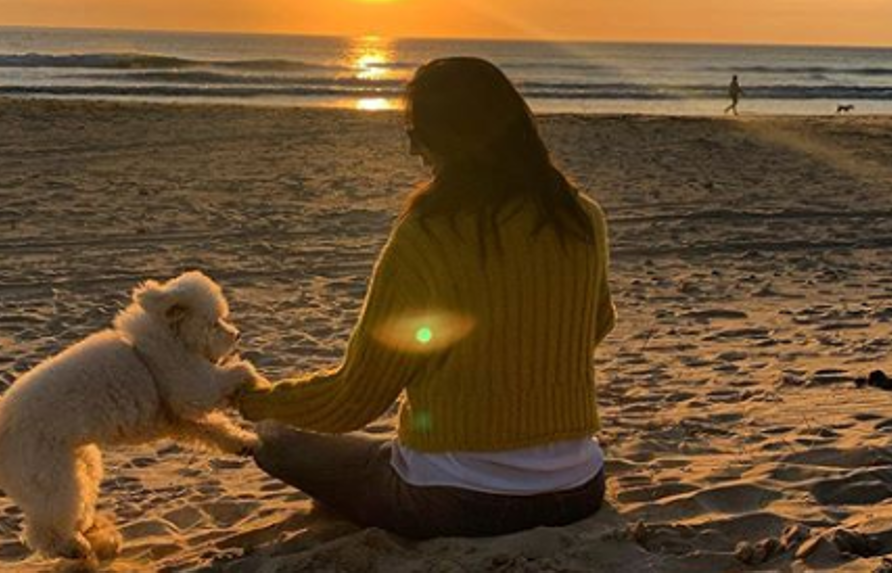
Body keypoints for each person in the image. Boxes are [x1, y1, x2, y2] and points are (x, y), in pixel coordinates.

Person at [234, 56, 617, 540]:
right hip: (579, 489)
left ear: (452, 138)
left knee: (272, 441)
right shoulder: (583, 217)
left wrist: (256, 402)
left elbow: (355, 398)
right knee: (379, 449)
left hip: (457, 504)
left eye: (416, 131)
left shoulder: (428, 234)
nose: (413, 149)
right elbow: (595, 323)